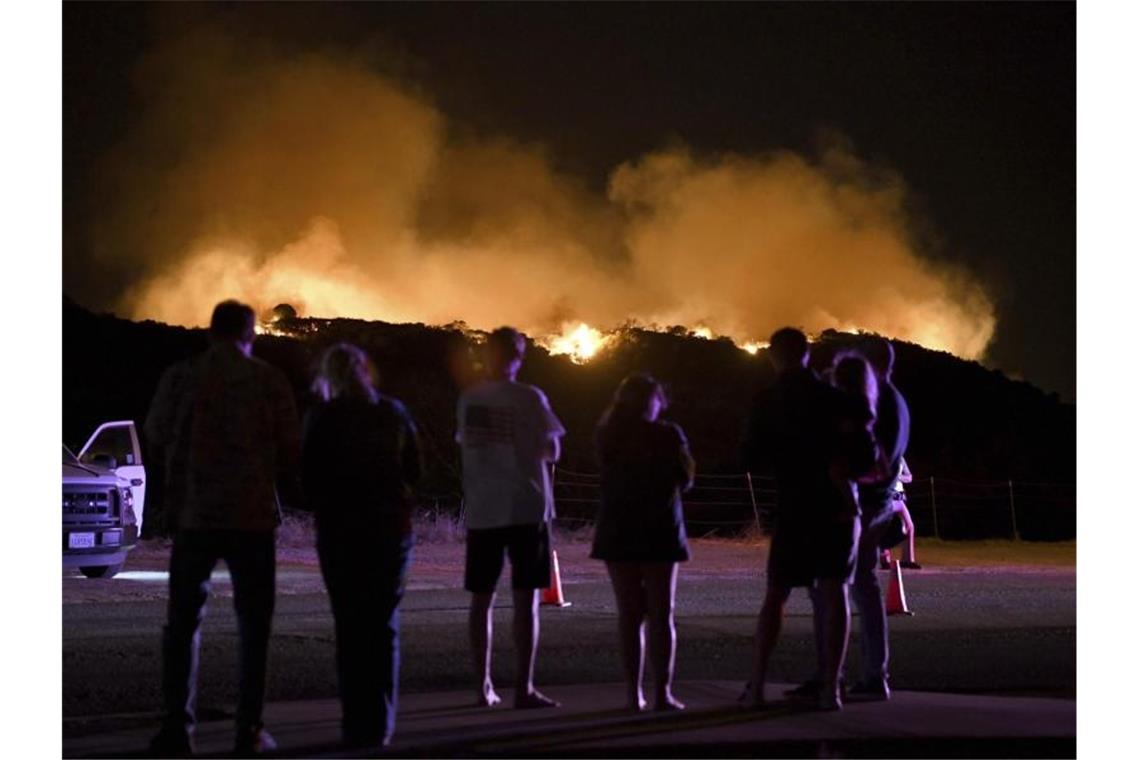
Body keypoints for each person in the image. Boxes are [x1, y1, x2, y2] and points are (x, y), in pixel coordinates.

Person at [145, 300, 302, 756]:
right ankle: (249, 730)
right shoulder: (268, 380)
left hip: (194, 515)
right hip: (251, 519)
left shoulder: (181, 377)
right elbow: (291, 450)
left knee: (182, 624)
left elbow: (154, 436)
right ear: (250, 335)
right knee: (254, 626)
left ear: (211, 332)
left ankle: (177, 729)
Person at [302, 343, 422, 749]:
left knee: (350, 628)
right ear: (365, 372)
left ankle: (355, 723)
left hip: (341, 532)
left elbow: (307, 476)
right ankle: (381, 725)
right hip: (391, 530)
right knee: (383, 626)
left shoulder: (323, 416)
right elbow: (416, 471)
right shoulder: (393, 412)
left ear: (330, 377)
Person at [740, 327, 857, 711]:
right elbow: (862, 452)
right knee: (834, 591)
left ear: (774, 356)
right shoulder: (833, 399)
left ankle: (756, 685)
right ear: (807, 355)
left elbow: (748, 457)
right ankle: (831, 690)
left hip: (792, 506)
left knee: (776, 595)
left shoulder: (765, 401)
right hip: (832, 508)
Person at [456, 327, 565, 709]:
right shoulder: (530, 397)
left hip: (485, 509)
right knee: (526, 602)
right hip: (527, 507)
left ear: (488, 355)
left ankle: (482, 686)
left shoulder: (470, 399)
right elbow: (551, 449)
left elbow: (468, 446)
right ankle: (524, 687)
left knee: (481, 600)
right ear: (519, 357)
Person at [591, 373, 695, 712]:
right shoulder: (668, 434)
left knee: (629, 615)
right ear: (654, 401)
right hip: (660, 530)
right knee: (662, 614)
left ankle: (632, 694)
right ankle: (662, 693)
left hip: (618, 530)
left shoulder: (608, 434)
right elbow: (686, 478)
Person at [849, 337, 911, 701]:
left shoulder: (881, 403)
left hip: (869, 504)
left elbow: (877, 460)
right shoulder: (897, 401)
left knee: (853, 587)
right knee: (862, 587)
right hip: (881, 502)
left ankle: (871, 674)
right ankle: (872, 672)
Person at [880, 458, 921, 570]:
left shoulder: (901, 458)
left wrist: (897, 477)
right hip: (887, 498)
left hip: (900, 498)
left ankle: (908, 560)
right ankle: (884, 560)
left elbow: (909, 477)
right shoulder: (881, 457)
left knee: (910, 526)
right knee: (884, 526)